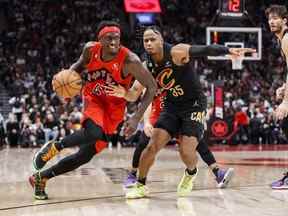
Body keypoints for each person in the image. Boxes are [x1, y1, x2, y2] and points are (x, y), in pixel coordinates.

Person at [118, 26, 255, 198]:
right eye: (146, 40)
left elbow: (205, 49)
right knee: (151, 146)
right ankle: (140, 184)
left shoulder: (177, 52)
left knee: (186, 151)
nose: (149, 43)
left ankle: (191, 172)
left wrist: (228, 50)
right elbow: (134, 93)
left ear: (161, 39)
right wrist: (123, 93)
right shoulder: (146, 66)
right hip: (172, 105)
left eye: (153, 39)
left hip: (194, 105)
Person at [29, 21, 157, 200]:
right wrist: (64, 86)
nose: (114, 41)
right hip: (94, 99)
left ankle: (41, 178)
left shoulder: (130, 60)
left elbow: (152, 86)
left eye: (117, 37)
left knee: (84, 156)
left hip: (114, 110)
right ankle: (55, 146)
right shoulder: (90, 50)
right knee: (94, 132)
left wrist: (136, 118)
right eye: (109, 38)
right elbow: (76, 68)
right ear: (100, 40)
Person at [106, 58, 234, 190]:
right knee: (144, 144)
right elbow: (147, 103)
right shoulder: (149, 81)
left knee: (197, 141)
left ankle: (217, 172)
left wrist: (198, 117)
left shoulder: (174, 75)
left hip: (178, 114)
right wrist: (147, 122)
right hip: (159, 115)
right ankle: (133, 174)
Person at [266, 4, 288, 189]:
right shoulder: (283, 40)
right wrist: (285, 86)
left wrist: (286, 102)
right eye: (270, 19)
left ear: (285, 21)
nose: (272, 21)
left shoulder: (287, 39)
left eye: (276, 18)